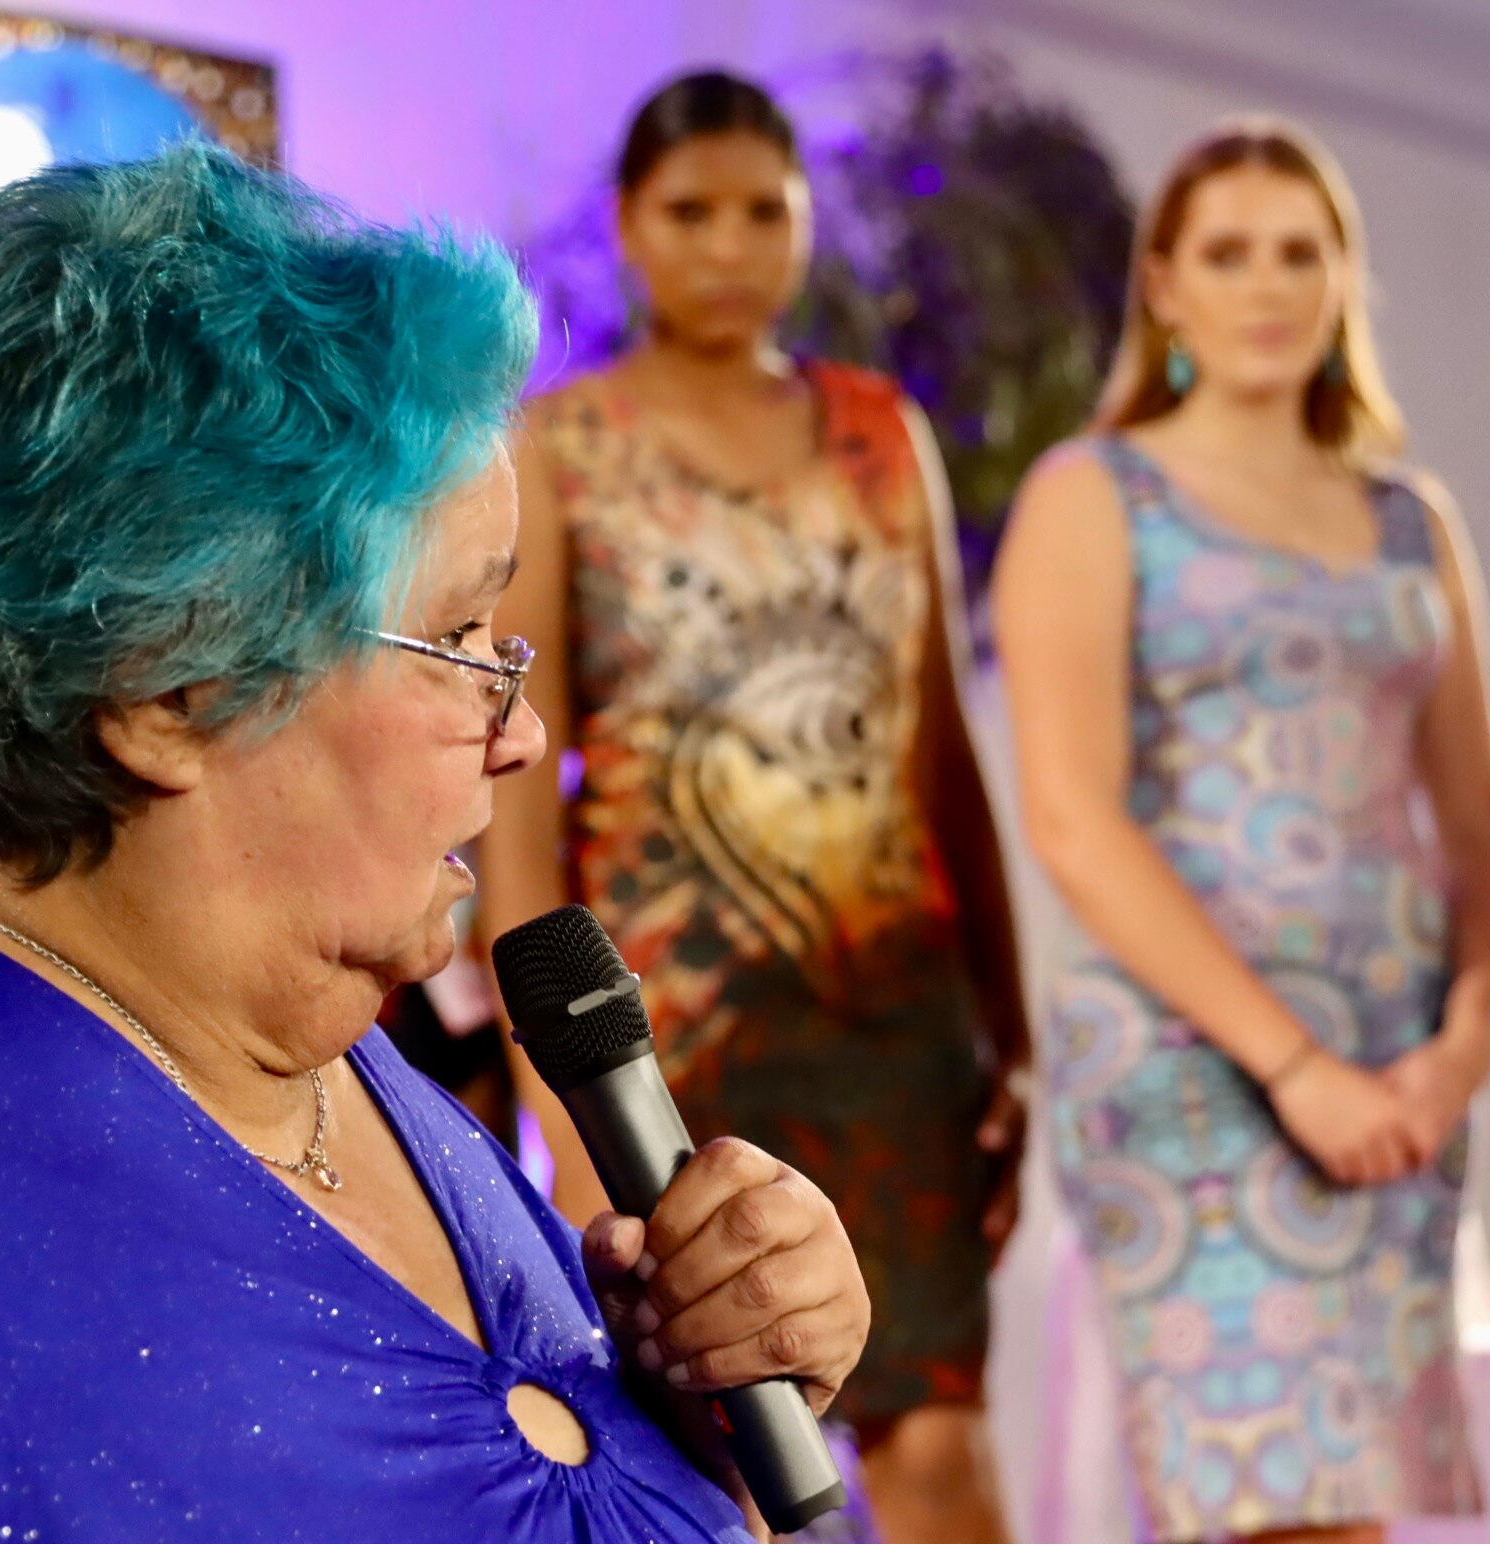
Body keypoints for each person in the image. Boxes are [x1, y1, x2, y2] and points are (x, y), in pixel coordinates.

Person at [0, 144, 870, 1543]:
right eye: (457, 639)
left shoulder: (304, 1037)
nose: (520, 736)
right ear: (174, 686)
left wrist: (709, 1412)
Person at [476, 71, 1026, 1543]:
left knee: (938, 1442)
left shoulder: (877, 431)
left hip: (896, 1020)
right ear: (629, 229)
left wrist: (1010, 1031)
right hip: (674, 1051)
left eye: (763, 211)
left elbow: (943, 756)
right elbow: (517, 795)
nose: (729, 244)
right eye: (690, 212)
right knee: (735, 1467)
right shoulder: (560, 449)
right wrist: (560, 1109)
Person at [991, 116, 1490, 1543]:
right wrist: (1292, 1068)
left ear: (1346, 279)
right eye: (1229, 253)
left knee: (1366, 1507)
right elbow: (1071, 821)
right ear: (1164, 283)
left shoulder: (1415, 522)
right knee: (1270, 1509)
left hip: (1393, 1081)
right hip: (1196, 1072)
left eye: (1303, 252)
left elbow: (1481, 832)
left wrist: (1456, 1053)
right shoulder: (1096, 495)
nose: (1269, 285)